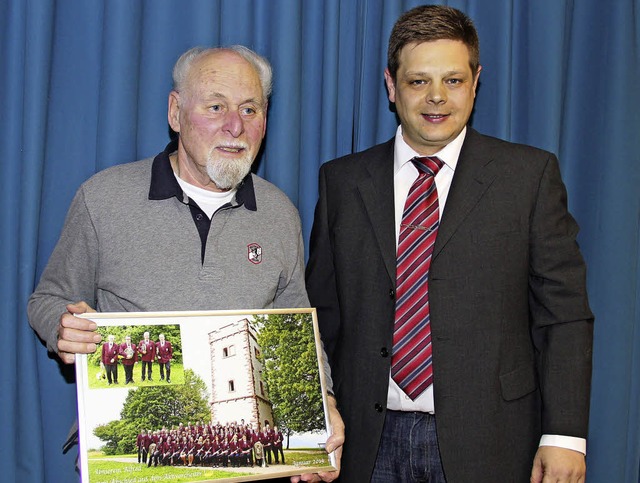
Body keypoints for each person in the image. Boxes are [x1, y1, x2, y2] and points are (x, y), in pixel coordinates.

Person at [27, 44, 343, 481]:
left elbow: (298, 330)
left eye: (250, 109)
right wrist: (63, 328)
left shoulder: (280, 212)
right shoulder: (103, 198)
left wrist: (323, 408)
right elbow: (49, 298)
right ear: (176, 113)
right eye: (216, 107)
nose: (236, 126)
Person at [305, 5, 593, 483]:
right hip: (364, 444)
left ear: (476, 83)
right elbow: (322, 316)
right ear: (391, 86)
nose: (436, 97)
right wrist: (313, 422)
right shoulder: (342, 181)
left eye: (453, 81)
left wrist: (563, 436)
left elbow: (563, 315)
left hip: (491, 442)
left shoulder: (528, 177)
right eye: (418, 81)